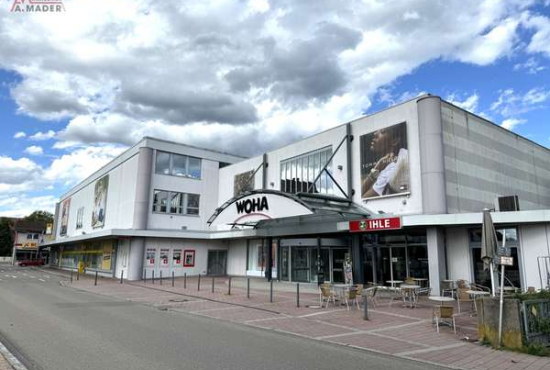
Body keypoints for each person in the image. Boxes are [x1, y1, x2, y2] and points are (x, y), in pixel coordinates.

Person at [361, 124, 409, 198]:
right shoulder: (400, 156)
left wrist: (377, 168)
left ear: (395, 141)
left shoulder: (392, 168)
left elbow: (360, 197)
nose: (375, 134)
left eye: (382, 132)